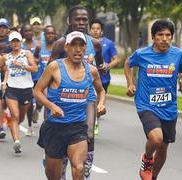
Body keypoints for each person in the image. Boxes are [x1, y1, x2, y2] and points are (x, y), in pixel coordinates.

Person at [124, 19, 182, 180]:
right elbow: (128, 63)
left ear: (172, 37)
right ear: (153, 37)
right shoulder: (142, 54)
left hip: (169, 107)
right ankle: (147, 158)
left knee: (162, 148)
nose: (164, 38)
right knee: (156, 139)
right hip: (146, 103)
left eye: (168, 35)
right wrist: (130, 83)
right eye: (160, 35)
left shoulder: (179, 55)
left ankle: (153, 177)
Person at [35, 31, 106, 180]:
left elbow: (101, 90)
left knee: (78, 167)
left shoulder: (91, 71)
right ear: (66, 47)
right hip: (55, 127)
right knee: (53, 176)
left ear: (86, 48)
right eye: (73, 45)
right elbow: (37, 91)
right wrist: (51, 106)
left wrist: (101, 103)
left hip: (78, 127)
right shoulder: (54, 67)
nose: (77, 49)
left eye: (81, 45)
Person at [50, 5, 105, 179]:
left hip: (87, 97)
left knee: (88, 133)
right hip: (64, 98)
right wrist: (49, 106)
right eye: (77, 19)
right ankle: (63, 165)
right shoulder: (61, 44)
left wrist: (101, 68)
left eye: (84, 19)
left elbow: (100, 63)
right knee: (66, 134)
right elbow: (50, 74)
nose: (81, 22)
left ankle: (86, 166)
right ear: (69, 21)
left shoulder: (95, 43)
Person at [3, 31, 38, 153]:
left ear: (20, 42)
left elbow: (35, 69)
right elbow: (3, 69)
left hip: (26, 89)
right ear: (10, 43)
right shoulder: (6, 57)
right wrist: (3, 81)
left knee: (21, 117)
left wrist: (21, 66)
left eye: (17, 41)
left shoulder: (26, 54)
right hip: (11, 89)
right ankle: (16, 141)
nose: (15, 43)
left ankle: (14, 126)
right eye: (13, 41)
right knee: (15, 116)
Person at [89, 18, 120, 135]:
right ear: (90, 30)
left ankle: (95, 120)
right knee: (90, 100)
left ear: (101, 31)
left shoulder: (109, 43)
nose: (95, 31)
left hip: (104, 78)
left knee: (98, 102)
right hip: (89, 77)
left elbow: (116, 59)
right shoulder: (86, 42)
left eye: (98, 29)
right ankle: (90, 122)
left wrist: (108, 66)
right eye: (93, 29)